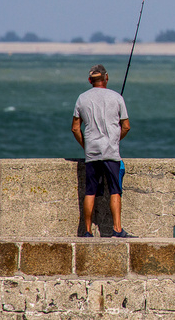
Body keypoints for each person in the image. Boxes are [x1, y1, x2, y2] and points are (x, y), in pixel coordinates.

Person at [71, 64, 135, 237]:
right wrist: (115, 140)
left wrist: (86, 145)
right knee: (115, 190)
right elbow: (126, 126)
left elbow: (75, 128)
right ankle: (117, 229)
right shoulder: (117, 97)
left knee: (90, 191)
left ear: (90, 80)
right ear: (107, 78)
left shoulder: (81, 98)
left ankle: (87, 231)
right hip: (111, 152)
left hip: (91, 152)